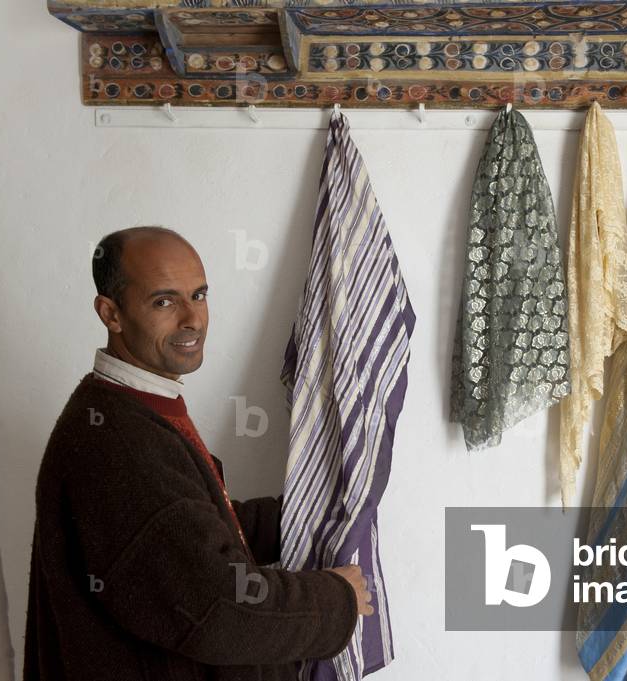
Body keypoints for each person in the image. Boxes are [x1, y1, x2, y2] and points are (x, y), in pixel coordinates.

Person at [23, 226, 373, 681]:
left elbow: (190, 528)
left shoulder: (132, 406)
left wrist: (306, 515)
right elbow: (219, 607)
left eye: (199, 295)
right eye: (164, 302)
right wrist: (334, 600)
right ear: (111, 313)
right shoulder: (115, 443)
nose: (193, 319)